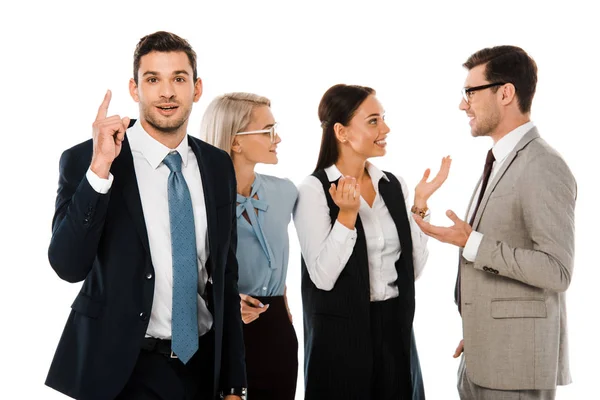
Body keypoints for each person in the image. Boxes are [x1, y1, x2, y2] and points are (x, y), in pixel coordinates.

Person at [45, 31, 246, 400]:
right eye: (153, 79)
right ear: (135, 89)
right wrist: (100, 169)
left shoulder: (217, 166)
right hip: (123, 371)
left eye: (179, 79)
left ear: (196, 89)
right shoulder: (87, 160)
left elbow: (225, 278)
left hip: (201, 368)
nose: (166, 93)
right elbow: (67, 266)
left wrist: (234, 382)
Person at [413, 46, 576, 400]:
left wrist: (471, 243)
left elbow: (557, 271)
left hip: (515, 369)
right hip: (483, 354)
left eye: (470, 92)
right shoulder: (500, 159)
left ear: (505, 93)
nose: (463, 104)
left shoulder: (543, 164)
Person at [293, 83, 451, 399]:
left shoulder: (393, 185)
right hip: (340, 338)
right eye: (373, 121)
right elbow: (323, 278)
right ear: (342, 132)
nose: (386, 128)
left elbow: (412, 270)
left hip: (395, 331)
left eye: (383, 118)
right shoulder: (313, 190)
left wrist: (419, 205)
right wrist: (347, 216)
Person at [201, 92, 298, 399]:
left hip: (277, 330)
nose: (278, 138)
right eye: (267, 130)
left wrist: (282, 299)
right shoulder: (199, 197)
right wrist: (225, 302)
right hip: (222, 329)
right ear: (236, 141)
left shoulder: (285, 193)